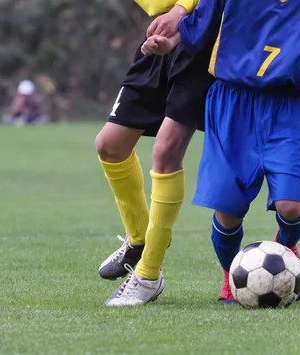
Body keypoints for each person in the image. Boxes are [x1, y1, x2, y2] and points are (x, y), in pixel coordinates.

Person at [138, 0, 300, 305]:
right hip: (231, 103)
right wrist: (168, 42)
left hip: (287, 108)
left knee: (290, 205)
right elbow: (198, 24)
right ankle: (231, 277)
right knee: (228, 210)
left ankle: (283, 247)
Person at [99, 0, 216, 307]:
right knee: (110, 145)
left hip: (202, 36)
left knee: (166, 151)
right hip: (160, 37)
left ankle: (148, 275)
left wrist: (181, 8)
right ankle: (139, 240)